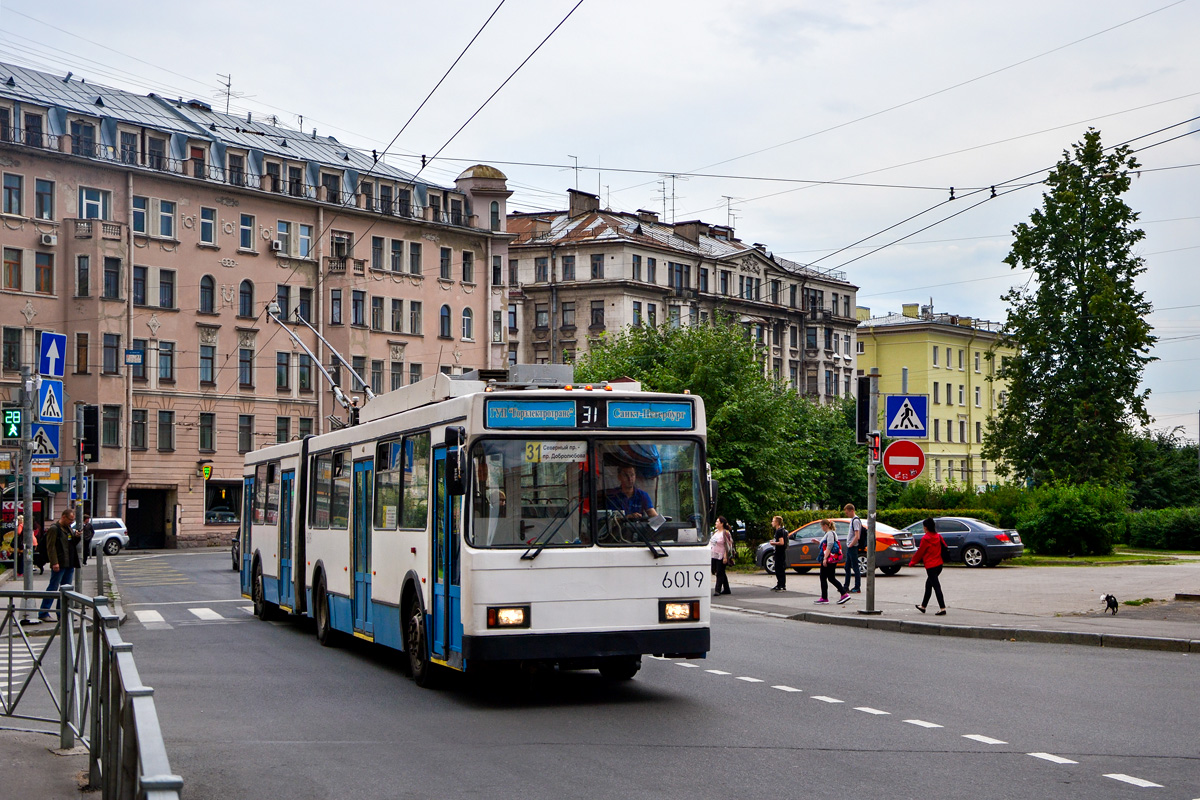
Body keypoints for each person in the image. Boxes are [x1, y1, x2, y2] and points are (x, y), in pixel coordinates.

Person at [37, 508, 79, 623]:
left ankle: (62, 614)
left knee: (65, 590)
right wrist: (54, 562)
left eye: (73, 520)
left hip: (69, 563)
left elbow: (70, 544)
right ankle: (43, 612)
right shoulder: (54, 529)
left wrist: (77, 536)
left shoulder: (68, 528)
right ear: (63, 517)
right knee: (53, 588)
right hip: (59, 564)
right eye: (70, 519)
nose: (72, 522)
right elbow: (50, 547)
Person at [910, 517, 946, 615]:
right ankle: (923, 606)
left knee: (936, 586)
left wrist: (912, 562)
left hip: (931, 566)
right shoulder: (938, 536)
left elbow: (920, 552)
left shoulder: (925, 538)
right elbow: (945, 547)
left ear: (926, 527)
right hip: (939, 565)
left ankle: (942, 608)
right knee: (929, 585)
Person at [815, 518, 851, 605]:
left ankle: (826, 597)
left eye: (822, 526)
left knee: (824, 577)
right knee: (830, 577)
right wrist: (818, 542)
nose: (821, 528)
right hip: (831, 559)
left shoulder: (830, 533)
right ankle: (842, 593)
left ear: (825, 526)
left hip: (828, 559)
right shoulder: (831, 533)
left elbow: (829, 545)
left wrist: (825, 558)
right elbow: (827, 544)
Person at [710, 516, 734, 596]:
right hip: (714, 554)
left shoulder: (726, 533)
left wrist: (725, 556)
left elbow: (728, 545)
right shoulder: (715, 532)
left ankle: (717, 590)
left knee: (719, 572)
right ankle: (727, 589)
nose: (716, 523)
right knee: (720, 571)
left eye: (717, 522)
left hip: (721, 555)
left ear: (722, 523)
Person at [843, 503, 863, 594]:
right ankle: (845, 586)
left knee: (855, 567)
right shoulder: (853, 520)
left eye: (847, 513)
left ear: (852, 511)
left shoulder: (855, 521)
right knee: (847, 567)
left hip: (853, 547)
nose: (847, 515)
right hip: (850, 546)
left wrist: (851, 544)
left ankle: (857, 586)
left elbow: (857, 536)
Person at [769, 515, 788, 592]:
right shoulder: (782, 530)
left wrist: (774, 543)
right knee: (781, 568)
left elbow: (781, 542)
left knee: (778, 568)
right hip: (782, 552)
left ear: (777, 522)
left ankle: (780, 584)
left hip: (779, 552)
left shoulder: (779, 531)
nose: (772, 523)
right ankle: (781, 584)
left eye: (773, 521)